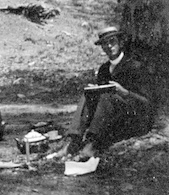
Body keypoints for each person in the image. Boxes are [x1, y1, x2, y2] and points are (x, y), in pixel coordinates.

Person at [56, 26, 155, 161]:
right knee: (88, 95)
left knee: (107, 97)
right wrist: (95, 90)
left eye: (112, 42)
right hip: (111, 119)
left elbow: (146, 103)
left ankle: (92, 144)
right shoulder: (103, 69)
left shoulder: (135, 66)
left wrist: (124, 92)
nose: (109, 46)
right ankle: (73, 141)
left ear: (120, 43)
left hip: (133, 120)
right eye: (105, 44)